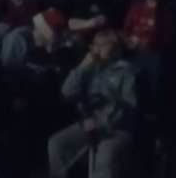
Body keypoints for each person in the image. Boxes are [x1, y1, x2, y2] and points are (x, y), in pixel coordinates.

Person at [48, 30, 137, 178]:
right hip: (89, 124)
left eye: (103, 45)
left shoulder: (126, 71)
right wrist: (82, 67)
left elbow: (129, 106)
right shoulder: (89, 67)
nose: (97, 49)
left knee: (104, 157)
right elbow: (67, 92)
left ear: (115, 48)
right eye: (95, 45)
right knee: (57, 144)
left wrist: (103, 124)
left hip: (116, 129)